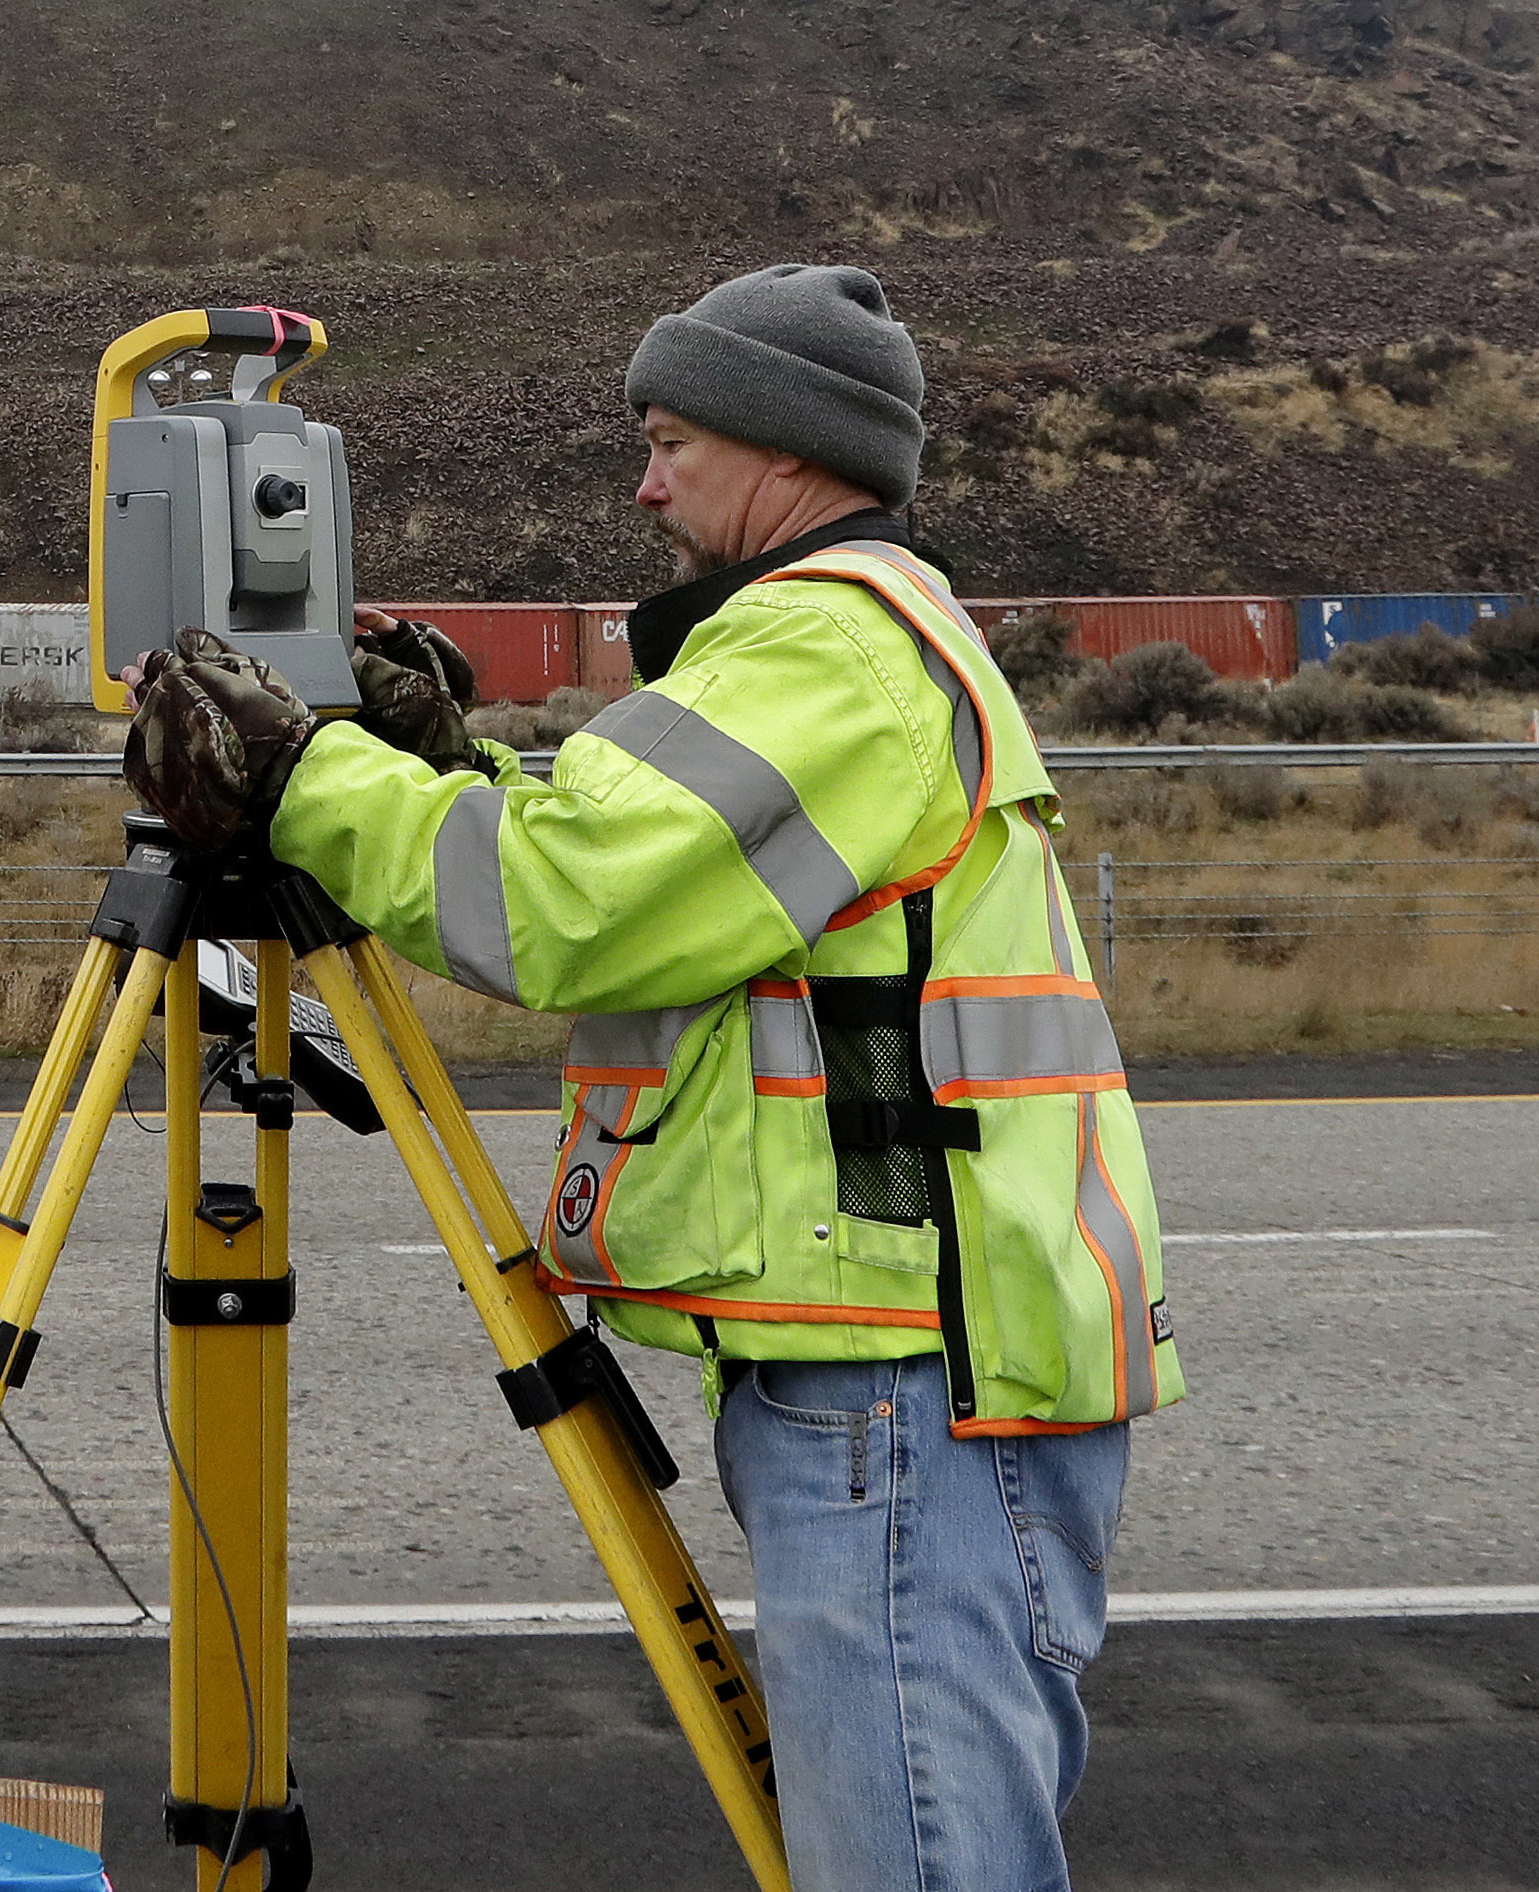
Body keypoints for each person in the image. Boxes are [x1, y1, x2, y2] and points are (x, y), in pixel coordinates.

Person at [124, 261, 1177, 1892]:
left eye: (672, 437)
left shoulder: (827, 647)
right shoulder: (832, 645)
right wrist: (444, 774)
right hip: (886, 1367)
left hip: (905, 1389)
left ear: (787, 447)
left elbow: (574, 908)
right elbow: (673, 891)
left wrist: (302, 777)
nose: (645, 480)